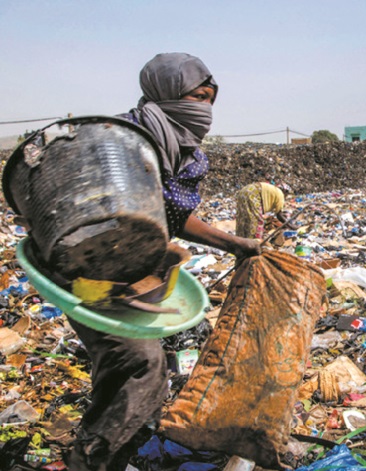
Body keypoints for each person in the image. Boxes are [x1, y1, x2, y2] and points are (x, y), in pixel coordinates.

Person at [67, 53, 261, 471]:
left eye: (210, 100)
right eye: (196, 96)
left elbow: (175, 218)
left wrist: (235, 244)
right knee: (140, 364)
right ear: (165, 92)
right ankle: (92, 459)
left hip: (132, 275)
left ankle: (107, 451)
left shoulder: (186, 152)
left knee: (130, 367)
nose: (204, 109)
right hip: (85, 272)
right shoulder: (120, 136)